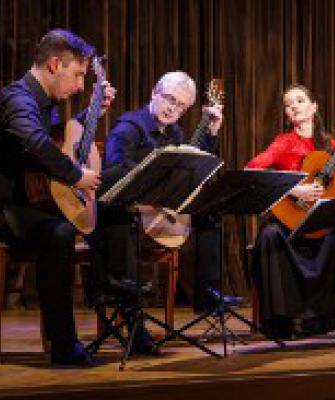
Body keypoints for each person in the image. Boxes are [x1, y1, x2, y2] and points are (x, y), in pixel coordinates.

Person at [87, 71, 235, 354]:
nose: (172, 109)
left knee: (210, 213)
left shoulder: (175, 132)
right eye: (168, 99)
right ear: (155, 92)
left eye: (180, 106)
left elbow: (194, 169)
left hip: (156, 214)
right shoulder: (128, 128)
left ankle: (206, 292)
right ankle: (134, 323)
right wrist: (150, 176)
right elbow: (111, 178)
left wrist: (211, 135)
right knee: (125, 215)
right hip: (123, 215)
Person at [0, 29, 115, 366]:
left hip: (30, 203)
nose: (79, 85)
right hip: (2, 208)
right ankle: (64, 345)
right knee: (58, 233)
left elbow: (58, 144)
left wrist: (92, 115)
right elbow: (35, 144)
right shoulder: (17, 99)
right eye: (77, 75)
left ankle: (123, 314)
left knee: (111, 213)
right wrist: (77, 175)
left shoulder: (47, 106)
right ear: (54, 64)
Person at [246, 84, 335, 339]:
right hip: (293, 223)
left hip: (321, 222)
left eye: (299, 101)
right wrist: (293, 190)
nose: (293, 106)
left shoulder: (329, 145)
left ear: (314, 107)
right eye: (288, 104)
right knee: (269, 235)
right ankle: (287, 319)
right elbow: (252, 169)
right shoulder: (283, 143)